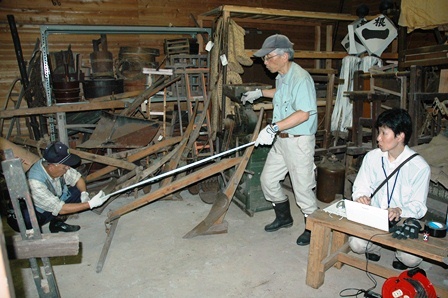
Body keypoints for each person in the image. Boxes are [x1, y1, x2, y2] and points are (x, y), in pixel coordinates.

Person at [241, 34, 318, 246]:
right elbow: (281, 92)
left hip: (298, 141)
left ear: (284, 56)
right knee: (267, 180)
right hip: (282, 141)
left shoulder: (301, 78)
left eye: (268, 58)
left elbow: (304, 113)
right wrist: (259, 93)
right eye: (264, 58)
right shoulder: (282, 75)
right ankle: (284, 218)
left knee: (302, 189)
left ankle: (314, 228)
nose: (265, 63)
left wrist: (273, 127)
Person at [349, 108, 430, 270]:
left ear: (400, 136)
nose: (378, 138)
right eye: (379, 132)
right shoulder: (372, 157)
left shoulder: (419, 167)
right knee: (356, 244)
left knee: (411, 260)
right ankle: (375, 247)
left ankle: (400, 254)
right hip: (376, 215)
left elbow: (419, 206)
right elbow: (361, 186)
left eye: (384, 133)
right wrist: (361, 197)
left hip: (402, 219)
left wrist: (400, 210)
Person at [7, 142, 109, 233]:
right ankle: (39, 225)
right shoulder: (35, 182)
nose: (68, 168)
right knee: (27, 220)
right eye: (65, 167)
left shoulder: (57, 166)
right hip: (36, 211)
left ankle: (56, 223)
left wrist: (84, 194)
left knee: (78, 191)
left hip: (53, 200)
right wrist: (90, 204)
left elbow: (78, 179)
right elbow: (60, 209)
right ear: (52, 167)